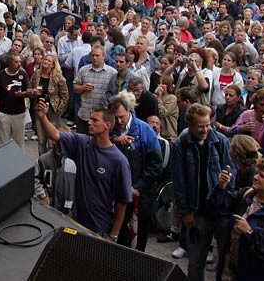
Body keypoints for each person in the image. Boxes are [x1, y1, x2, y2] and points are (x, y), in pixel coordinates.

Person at [35, 99, 132, 240]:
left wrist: (113, 235)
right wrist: (42, 117)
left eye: (94, 120)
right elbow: (55, 135)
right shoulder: (82, 143)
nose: (89, 122)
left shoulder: (119, 161)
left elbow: (122, 202)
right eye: (90, 119)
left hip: (99, 229)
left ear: (107, 125)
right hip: (76, 221)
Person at [171, 103, 233, 281]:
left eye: (208, 125)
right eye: (200, 126)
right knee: (196, 262)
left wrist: (226, 182)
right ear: (189, 124)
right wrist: (185, 212)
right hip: (197, 211)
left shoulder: (220, 141)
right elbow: (179, 182)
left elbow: (231, 172)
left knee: (224, 261)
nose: (205, 129)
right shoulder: (181, 144)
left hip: (220, 211)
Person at [209, 156, 264, 281]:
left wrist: (250, 232)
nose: (255, 177)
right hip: (229, 269)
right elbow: (215, 208)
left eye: (262, 176)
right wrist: (221, 188)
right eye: (257, 173)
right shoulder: (246, 195)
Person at [108, 93, 163, 252]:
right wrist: (114, 139)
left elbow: (155, 163)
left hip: (139, 197)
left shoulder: (144, 130)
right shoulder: (111, 129)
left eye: (121, 117)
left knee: (137, 243)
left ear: (129, 110)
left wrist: (138, 187)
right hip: (115, 196)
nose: (119, 121)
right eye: (115, 118)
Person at [28, 54, 69, 155]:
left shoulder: (58, 77)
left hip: (53, 110)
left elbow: (65, 95)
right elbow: (29, 88)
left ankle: (52, 163)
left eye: (49, 61)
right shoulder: (36, 74)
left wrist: (59, 110)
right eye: (45, 60)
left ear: (53, 64)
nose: (46, 62)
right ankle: (42, 163)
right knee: (41, 141)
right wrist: (33, 92)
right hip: (39, 109)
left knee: (52, 141)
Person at [73, 45, 117, 133]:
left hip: (101, 118)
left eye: (97, 55)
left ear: (104, 56)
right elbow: (75, 87)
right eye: (93, 56)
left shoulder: (112, 73)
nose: (95, 58)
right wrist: (83, 88)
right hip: (84, 114)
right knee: (81, 144)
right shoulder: (83, 70)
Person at [0, 53, 31, 147]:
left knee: (19, 142)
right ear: (9, 63)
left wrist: (24, 94)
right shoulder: (0, 76)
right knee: (4, 143)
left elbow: (28, 90)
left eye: (20, 62)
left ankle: (19, 161)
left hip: (19, 113)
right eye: (16, 62)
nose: (19, 64)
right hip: (4, 113)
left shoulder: (23, 74)